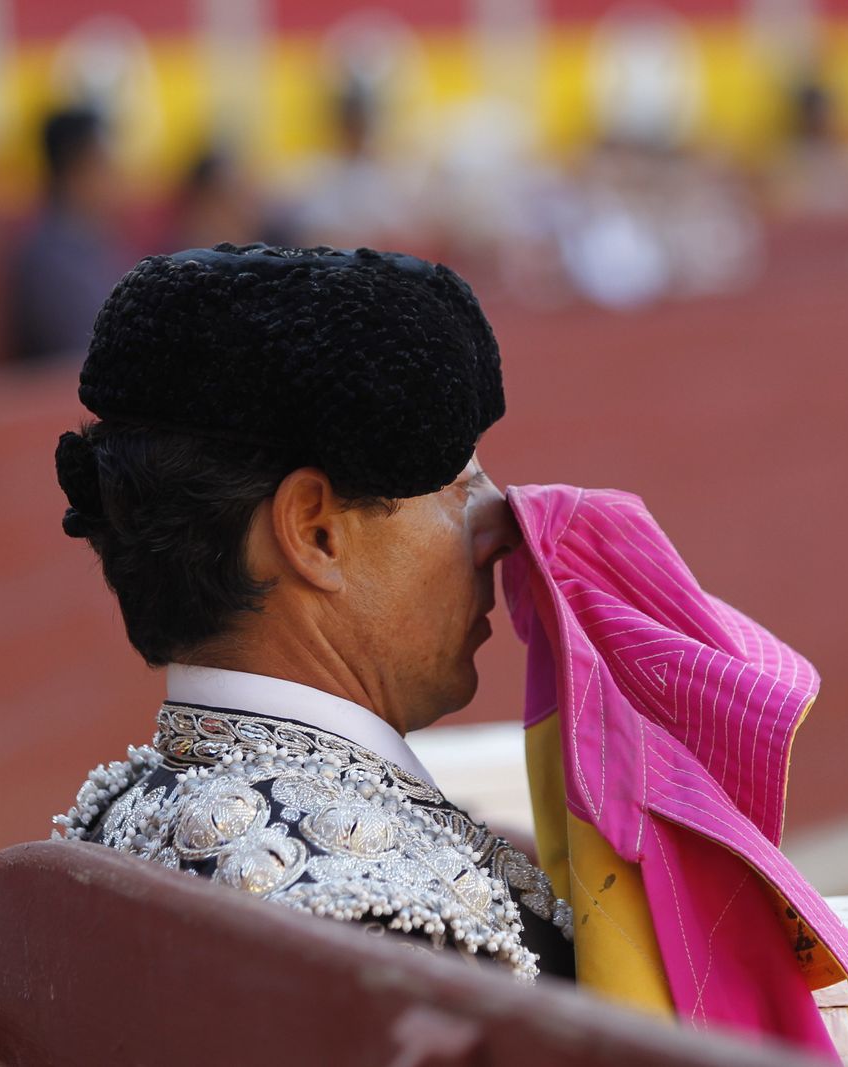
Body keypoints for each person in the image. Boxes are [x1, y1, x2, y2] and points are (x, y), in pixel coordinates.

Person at [50, 243, 574, 981]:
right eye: (459, 484)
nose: (506, 526)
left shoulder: (121, 821)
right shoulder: (381, 921)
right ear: (315, 531)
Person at [7, 105, 126, 362]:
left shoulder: (100, 240)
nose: (114, 176)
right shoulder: (47, 257)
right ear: (74, 171)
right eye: (102, 164)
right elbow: (83, 348)